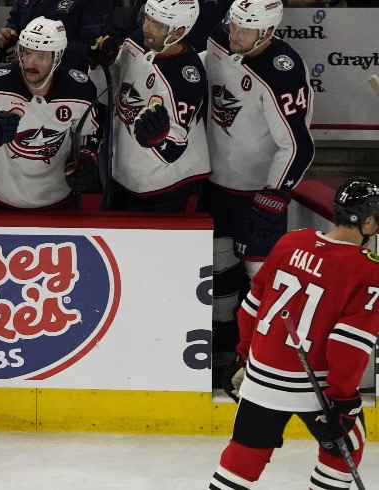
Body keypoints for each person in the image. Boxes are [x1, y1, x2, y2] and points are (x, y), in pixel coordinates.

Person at [211, 177, 379, 490]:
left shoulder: (292, 241)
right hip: (317, 388)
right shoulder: (368, 271)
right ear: (367, 221)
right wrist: (345, 401)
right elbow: (349, 344)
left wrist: (242, 356)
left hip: (261, 379)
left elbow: (251, 307)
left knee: (242, 458)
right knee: (346, 452)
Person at [199, 0, 315, 373]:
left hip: (257, 193)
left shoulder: (282, 71)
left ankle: (267, 353)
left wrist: (274, 196)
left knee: (261, 275)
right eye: (233, 26)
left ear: (267, 32)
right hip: (217, 182)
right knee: (219, 266)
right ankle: (223, 337)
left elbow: (298, 145)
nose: (234, 35)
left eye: (245, 31)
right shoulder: (222, 36)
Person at [0, 16, 100, 210]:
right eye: (26, 53)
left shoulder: (80, 90)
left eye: (41, 56)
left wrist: (87, 156)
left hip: (58, 203)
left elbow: (89, 132)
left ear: (58, 56)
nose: (30, 63)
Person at [93, 0, 209, 212]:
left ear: (178, 32)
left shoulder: (185, 78)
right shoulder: (137, 40)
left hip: (165, 184)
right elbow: (107, 93)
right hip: (123, 170)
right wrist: (102, 62)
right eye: (147, 18)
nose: (146, 27)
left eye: (157, 24)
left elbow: (172, 151)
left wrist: (158, 139)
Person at [0, 0, 115, 69]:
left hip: (68, 78)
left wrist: (36, 54)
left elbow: (93, 46)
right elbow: (15, 21)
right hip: (23, 74)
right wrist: (8, 35)